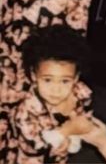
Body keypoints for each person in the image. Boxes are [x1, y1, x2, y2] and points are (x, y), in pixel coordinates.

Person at [3, 25, 94, 164]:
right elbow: (35, 145)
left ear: (76, 78)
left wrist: (74, 138)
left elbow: (85, 120)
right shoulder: (25, 110)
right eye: (47, 80)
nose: (56, 90)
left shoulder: (80, 92)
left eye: (65, 81)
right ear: (34, 76)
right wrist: (66, 131)